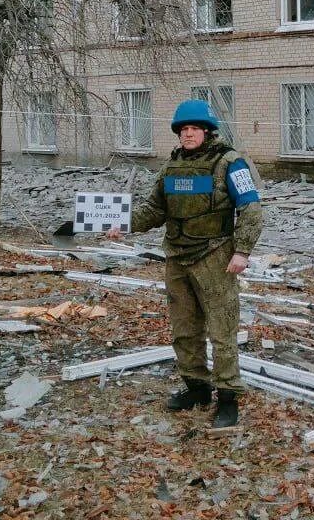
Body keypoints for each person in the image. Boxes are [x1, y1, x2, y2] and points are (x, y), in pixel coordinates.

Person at [107, 98, 262, 430]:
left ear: (206, 131)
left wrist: (243, 251)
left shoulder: (230, 163)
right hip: (177, 257)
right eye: (183, 130)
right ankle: (197, 388)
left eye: (194, 129)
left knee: (222, 330)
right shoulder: (171, 166)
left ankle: (227, 397)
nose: (188, 134)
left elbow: (250, 207)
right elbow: (154, 209)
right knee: (184, 329)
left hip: (216, 256)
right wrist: (125, 226)